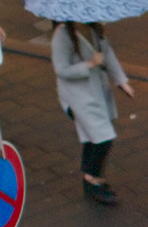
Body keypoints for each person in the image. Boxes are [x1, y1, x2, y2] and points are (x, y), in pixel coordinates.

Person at [48, 16, 130, 206]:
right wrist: (90, 64)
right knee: (103, 137)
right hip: (78, 96)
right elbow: (61, 69)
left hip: (96, 91)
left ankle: (91, 175)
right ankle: (91, 179)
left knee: (93, 136)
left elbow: (108, 54)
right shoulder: (62, 36)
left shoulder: (94, 28)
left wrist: (121, 80)